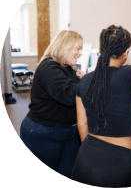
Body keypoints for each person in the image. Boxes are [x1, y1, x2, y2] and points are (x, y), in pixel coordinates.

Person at [71, 25, 131, 187]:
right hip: (117, 164)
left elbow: (82, 124)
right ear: (126, 52)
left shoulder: (83, 81)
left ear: (100, 48)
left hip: (85, 159)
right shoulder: (130, 74)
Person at [20, 30, 84, 179]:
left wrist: (82, 79)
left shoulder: (67, 67)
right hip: (44, 133)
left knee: (70, 173)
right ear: (65, 46)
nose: (80, 53)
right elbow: (70, 95)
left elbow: (75, 89)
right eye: (78, 48)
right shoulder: (49, 67)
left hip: (68, 132)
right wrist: (88, 80)